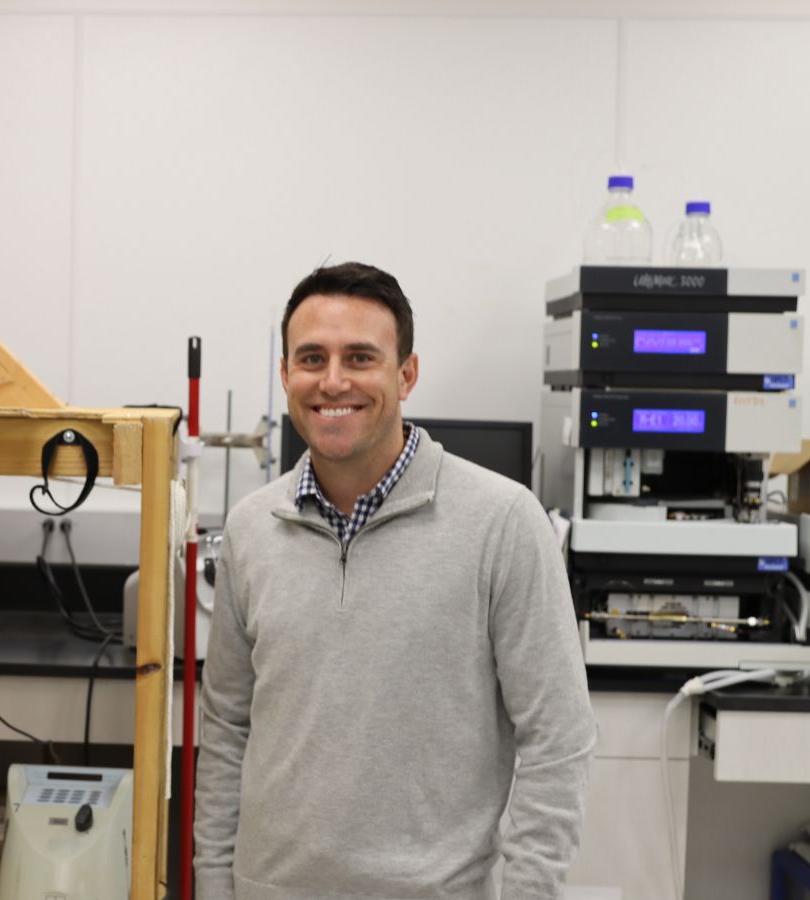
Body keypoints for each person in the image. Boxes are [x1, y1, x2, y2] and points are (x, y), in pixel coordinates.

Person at [194, 262, 596, 900]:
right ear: (284, 375)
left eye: (359, 357)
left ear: (406, 374)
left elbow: (559, 741)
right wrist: (214, 886)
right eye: (311, 358)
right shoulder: (250, 530)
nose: (333, 381)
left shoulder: (503, 523)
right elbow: (224, 734)